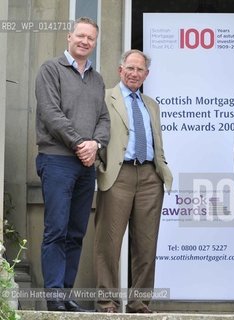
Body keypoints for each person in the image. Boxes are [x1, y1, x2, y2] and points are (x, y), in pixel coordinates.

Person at [35, 17, 110, 312]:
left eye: (90, 38)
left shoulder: (97, 79)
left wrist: (96, 144)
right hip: (56, 160)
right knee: (56, 229)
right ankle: (53, 296)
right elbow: (51, 114)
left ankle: (65, 293)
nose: (85, 42)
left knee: (77, 230)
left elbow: (104, 119)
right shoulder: (50, 70)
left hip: (86, 164)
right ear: (69, 37)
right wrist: (81, 143)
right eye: (80, 36)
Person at [94, 49, 173, 313]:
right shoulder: (105, 97)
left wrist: (162, 169)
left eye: (140, 70)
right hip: (119, 175)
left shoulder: (151, 104)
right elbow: (93, 134)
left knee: (147, 245)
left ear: (146, 74)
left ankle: (140, 302)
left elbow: (156, 140)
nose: (134, 73)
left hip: (150, 177)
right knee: (109, 243)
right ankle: (107, 302)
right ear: (120, 70)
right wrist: (100, 167)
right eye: (130, 68)